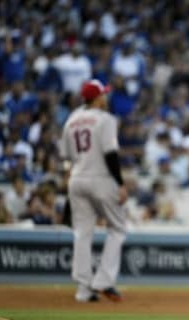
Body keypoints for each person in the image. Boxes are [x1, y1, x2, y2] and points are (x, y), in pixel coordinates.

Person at [60, 79, 127, 302]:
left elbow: (66, 160)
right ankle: (103, 281)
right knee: (117, 228)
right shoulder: (105, 119)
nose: (105, 98)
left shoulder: (71, 120)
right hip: (100, 178)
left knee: (82, 233)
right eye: (103, 95)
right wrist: (121, 183)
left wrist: (70, 185)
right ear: (97, 98)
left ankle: (83, 289)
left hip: (76, 178)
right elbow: (110, 154)